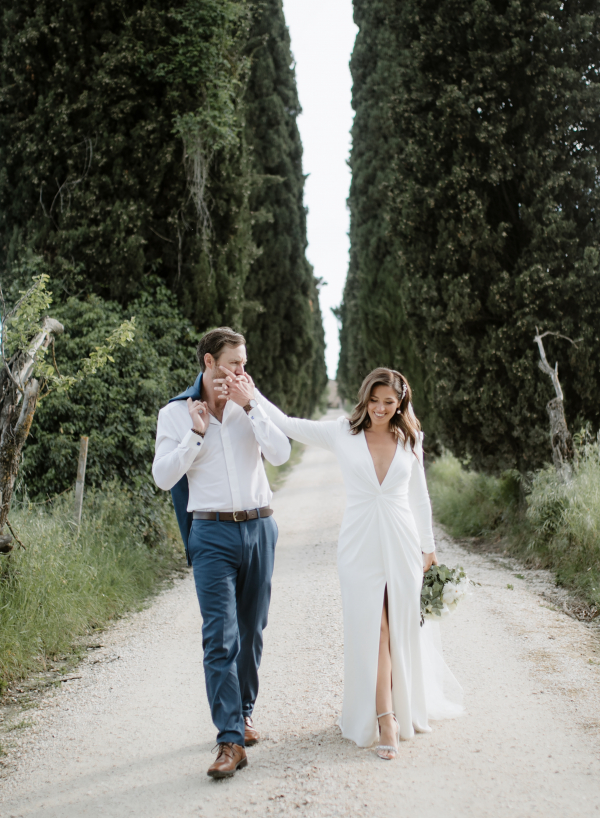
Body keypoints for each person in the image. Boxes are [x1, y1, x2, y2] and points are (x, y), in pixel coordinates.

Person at [215, 365, 463, 759]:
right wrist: (251, 397)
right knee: (374, 628)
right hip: (359, 544)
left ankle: (395, 710)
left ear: (400, 404)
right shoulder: (341, 431)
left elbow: (420, 496)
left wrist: (428, 547)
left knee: (397, 625)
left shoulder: (409, 438)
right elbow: (287, 424)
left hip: (401, 542)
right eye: (375, 400)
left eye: (389, 402)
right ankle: (385, 718)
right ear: (364, 397)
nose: (380, 409)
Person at [152, 327, 290, 779]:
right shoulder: (175, 413)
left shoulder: (252, 400)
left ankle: (244, 712)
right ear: (209, 363)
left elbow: (282, 452)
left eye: (245, 363)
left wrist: (251, 407)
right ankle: (229, 740)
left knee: (251, 632)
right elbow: (164, 478)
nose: (241, 371)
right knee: (220, 638)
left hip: (259, 526)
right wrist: (196, 435)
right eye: (234, 363)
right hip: (210, 534)